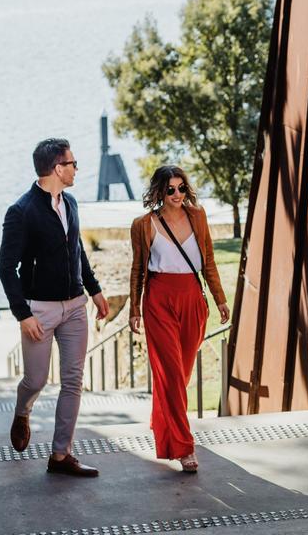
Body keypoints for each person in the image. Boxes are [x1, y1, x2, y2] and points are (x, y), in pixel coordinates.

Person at [0, 138, 110, 477]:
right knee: (35, 380)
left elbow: (76, 250)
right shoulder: (21, 212)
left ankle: (61, 456)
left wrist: (94, 290)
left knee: (73, 380)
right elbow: (6, 267)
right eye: (73, 163)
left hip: (75, 306)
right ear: (57, 169)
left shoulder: (71, 202)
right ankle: (23, 410)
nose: (77, 169)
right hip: (40, 311)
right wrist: (23, 314)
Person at [128, 165, 229, 473]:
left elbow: (208, 260)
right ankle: (184, 448)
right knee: (171, 374)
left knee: (180, 375)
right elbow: (138, 270)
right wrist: (134, 308)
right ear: (160, 191)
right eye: (170, 189)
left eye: (181, 188)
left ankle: (162, 420)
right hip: (159, 299)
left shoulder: (198, 216)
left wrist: (220, 298)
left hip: (191, 298)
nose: (176, 194)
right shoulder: (143, 224)